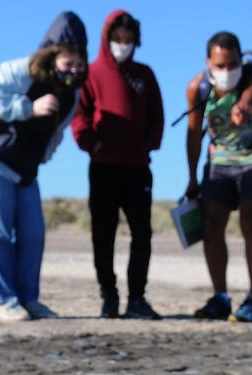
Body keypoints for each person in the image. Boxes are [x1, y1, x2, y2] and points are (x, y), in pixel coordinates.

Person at [0, 11, 88, 321]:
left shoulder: (74, 95)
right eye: (66, 62)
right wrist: (29, 108)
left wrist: (43, 155)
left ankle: (29, 298)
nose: (73, 69)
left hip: (26, 165)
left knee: (33, 232)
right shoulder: (21, 71)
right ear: (52, 56)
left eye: (79, 63)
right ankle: (6, 300)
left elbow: (57, 132)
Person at [70, 10, 164, 320]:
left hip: (137, 167)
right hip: (103, 168)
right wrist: (91, 143)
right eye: (118, 39)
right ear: (107, 40)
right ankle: (108, 295)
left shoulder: (145, 75)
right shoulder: (91, 74)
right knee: (103, 233)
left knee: (142, 233)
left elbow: (157, 116)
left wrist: (148, 143)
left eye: (129, 40)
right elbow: (79, 117)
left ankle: (137, 297)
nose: (123, 45)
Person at [185, 32, 252, 323]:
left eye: (233, 65)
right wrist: (192, 178)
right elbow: (193, 135)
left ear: (242, 60)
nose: (227, 72)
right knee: (212, 223)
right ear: (208, 64)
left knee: (250, 220)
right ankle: (220, 297)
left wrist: (245, 104)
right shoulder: (198, 88)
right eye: (220, 66)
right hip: (221, 157)